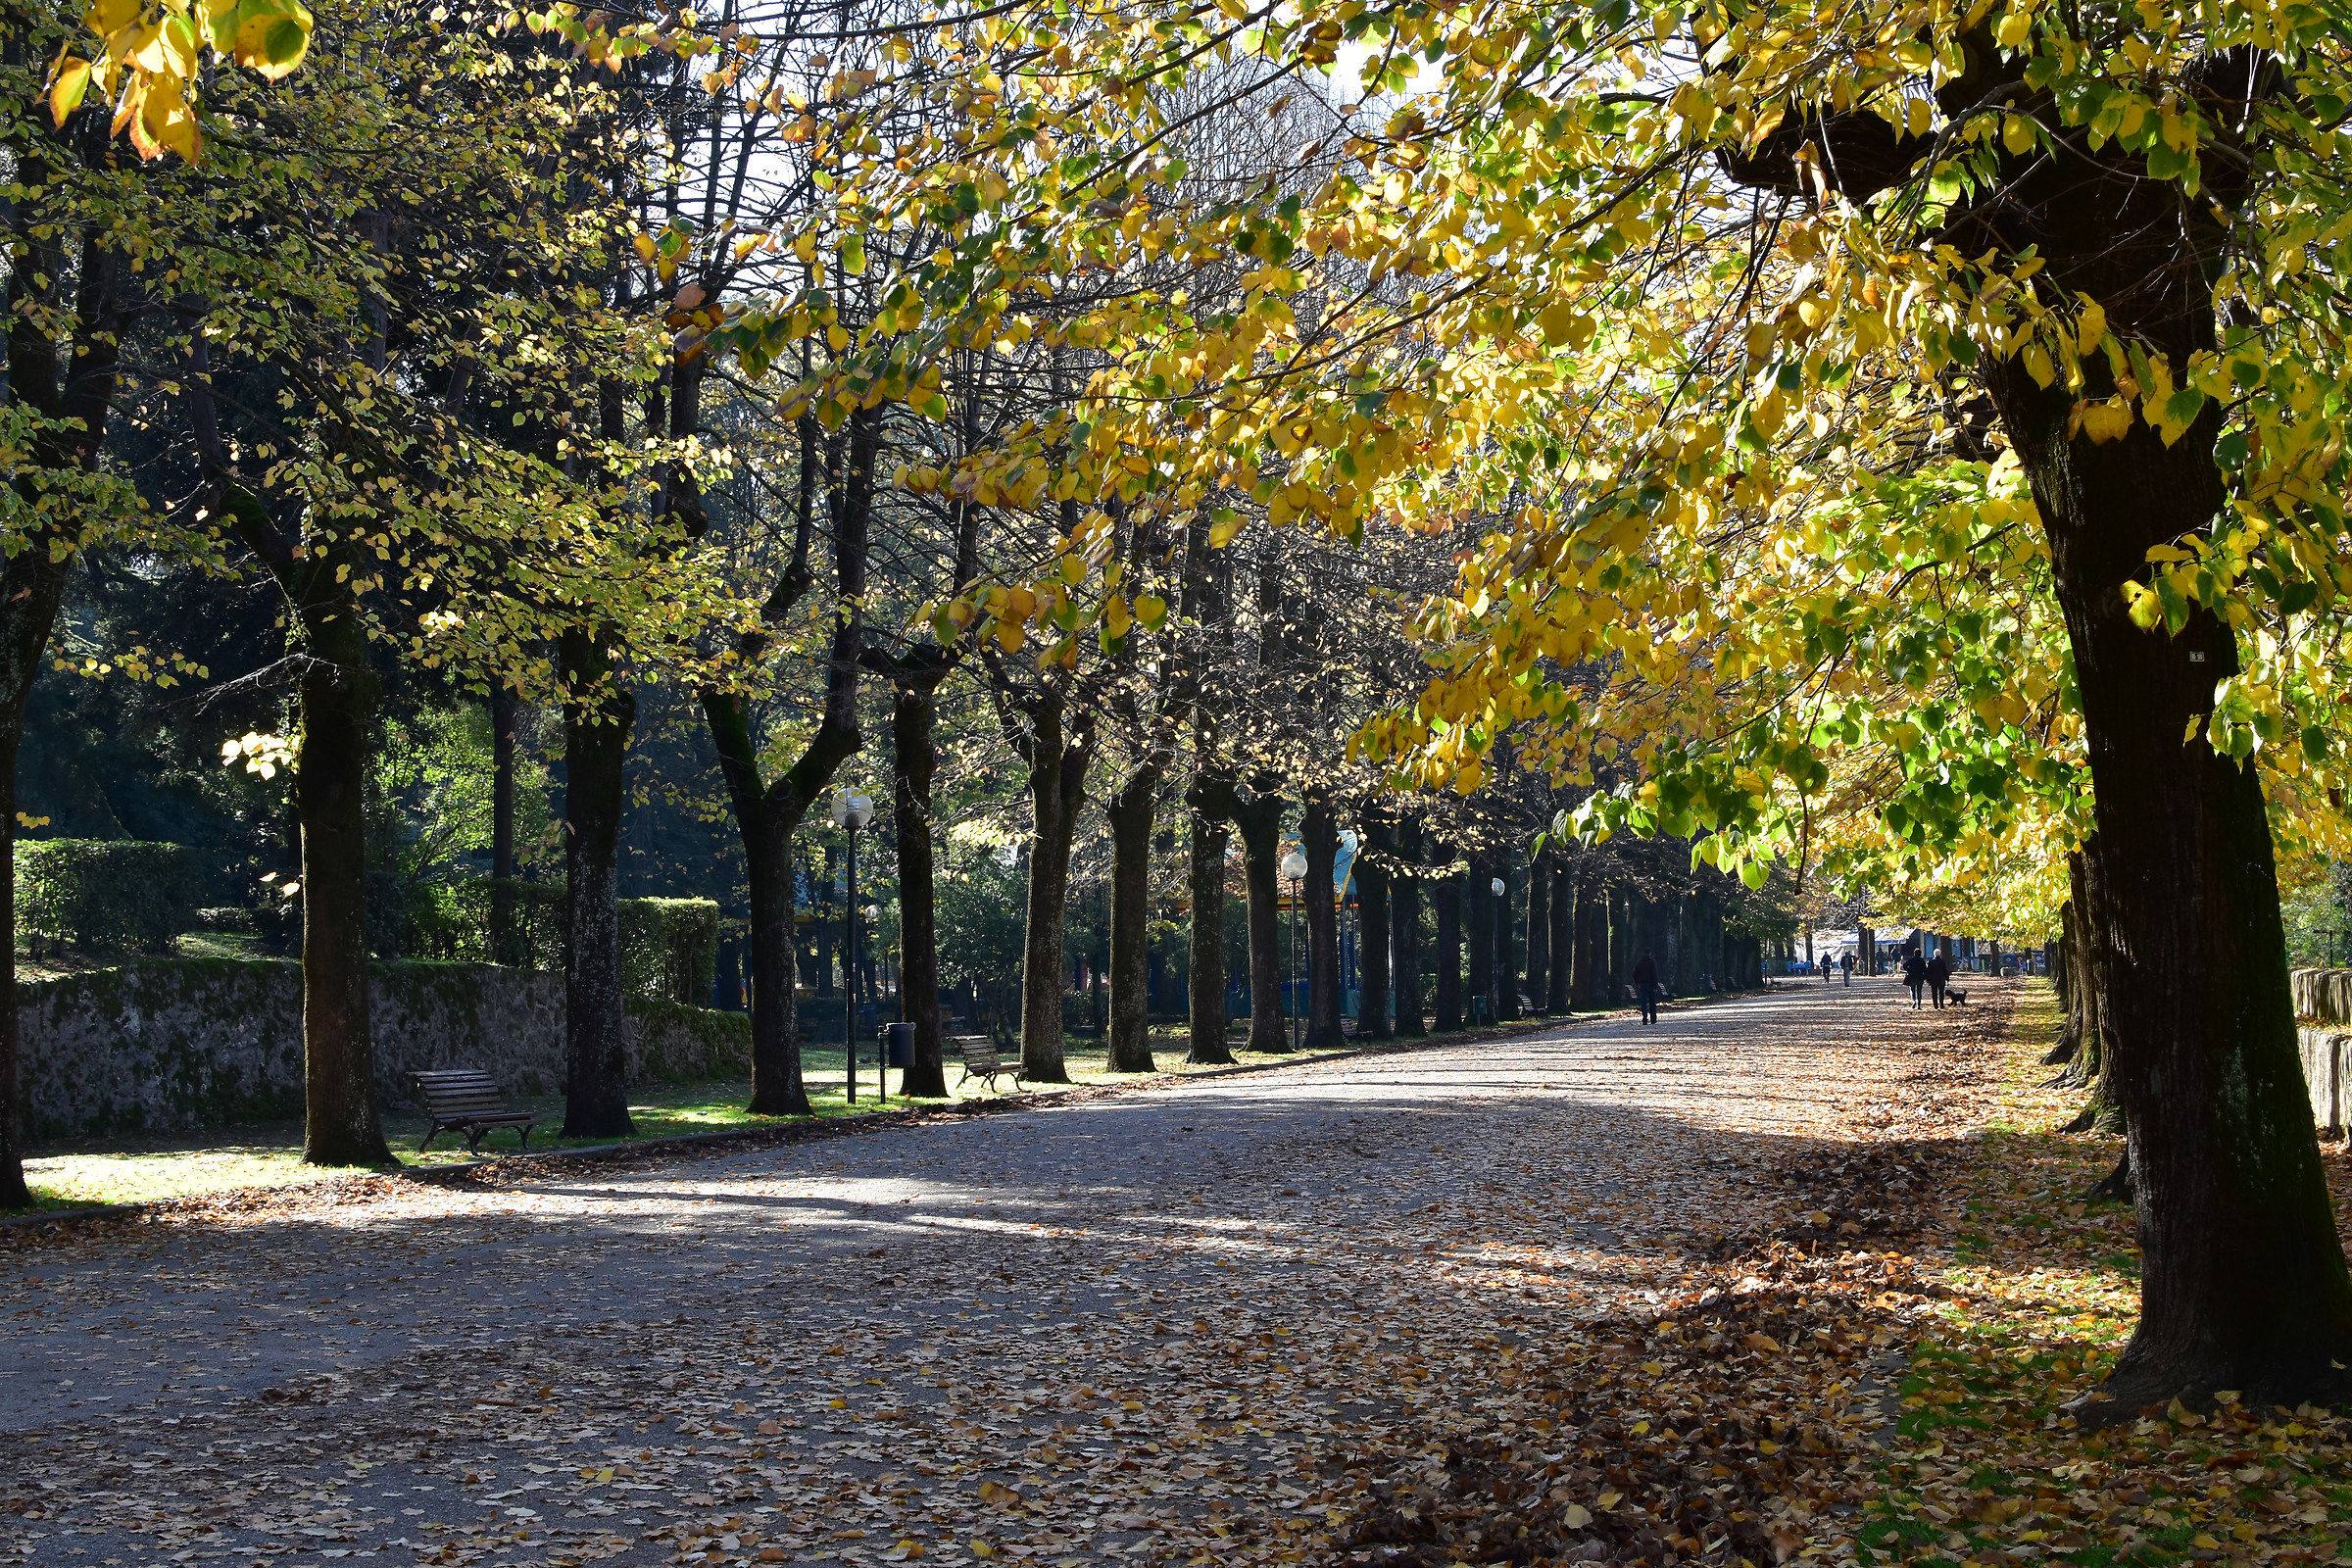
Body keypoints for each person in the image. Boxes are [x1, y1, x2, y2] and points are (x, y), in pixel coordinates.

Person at [1632, 950, 1660, 1025]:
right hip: (1651, 984)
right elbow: (1654, 974)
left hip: (1642, 984)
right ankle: (1653, 1019)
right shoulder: (1652, 962)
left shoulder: (1639, 962)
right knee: (1652, 1002)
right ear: (1650, 953)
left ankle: (1644, 1019)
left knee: (1643, 1002)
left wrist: (1637, 983)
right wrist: (1655, 985)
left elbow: (1635, 974)